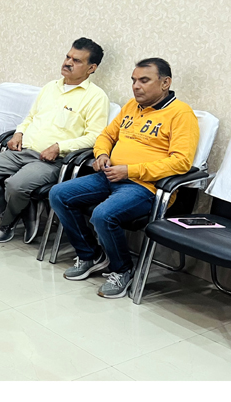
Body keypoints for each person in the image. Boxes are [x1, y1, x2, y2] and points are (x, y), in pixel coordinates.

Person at [49, 58, 199, 299]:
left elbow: (181, 162)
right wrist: (102, 155)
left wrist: (130, 171)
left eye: (144, 80)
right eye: (133, 80)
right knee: (59, 194)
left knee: (103, 214)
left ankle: (122, 269)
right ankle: (90, 255)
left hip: (146, 187)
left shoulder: (181, 114)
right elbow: (106, 135)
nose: (136, 86)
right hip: (110, 175)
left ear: (165, 83)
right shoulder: (131, 107)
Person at [0, 37, 109, 244]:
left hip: (52, 161)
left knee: (16, 185)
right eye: (68, 57)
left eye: (77, 60)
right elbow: (31, 117)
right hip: (23, 150)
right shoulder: (50, 87)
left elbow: (95, 136)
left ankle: (7, 222)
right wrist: (18, 133)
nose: (68, 62)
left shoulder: (96, 97)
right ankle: (12, 211)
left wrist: (60, 147)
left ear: (92, 68)